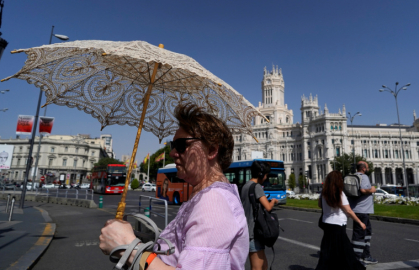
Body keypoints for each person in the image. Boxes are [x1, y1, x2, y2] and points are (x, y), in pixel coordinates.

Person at [99, 103, 249, 270]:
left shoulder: (214, 201)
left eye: (181, 145)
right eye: (172, 145)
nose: (172, 153)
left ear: (212, 150)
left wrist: (129, 247)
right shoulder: (206, 195)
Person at [316, 171, 366, 270]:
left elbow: (319, 205)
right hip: (338, 224)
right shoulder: (340, 193)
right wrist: (359, 222)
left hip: (326, 223)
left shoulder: (324, 192)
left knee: (327, 250)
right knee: (346, 250)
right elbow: (348, 211)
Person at [240, 161, 278, 270]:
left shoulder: (245, 186)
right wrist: (274, 201)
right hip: (254, 232)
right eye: (265, 175)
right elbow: (268, 207)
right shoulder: (256, 187)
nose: (266, 177)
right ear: (260, 174)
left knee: (264, 265)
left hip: (247, 229)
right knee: (258, 266)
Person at [348, 161, 378, 264]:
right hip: (362, 210)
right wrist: (373, 190)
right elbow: (364, 190)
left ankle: (366, 255)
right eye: (368, 167)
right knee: (359, 235)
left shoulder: (354, 176)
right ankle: (357, 259)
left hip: (358, 210)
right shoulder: (363, 177)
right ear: (364, 169)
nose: (368, 169)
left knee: (366, 232)